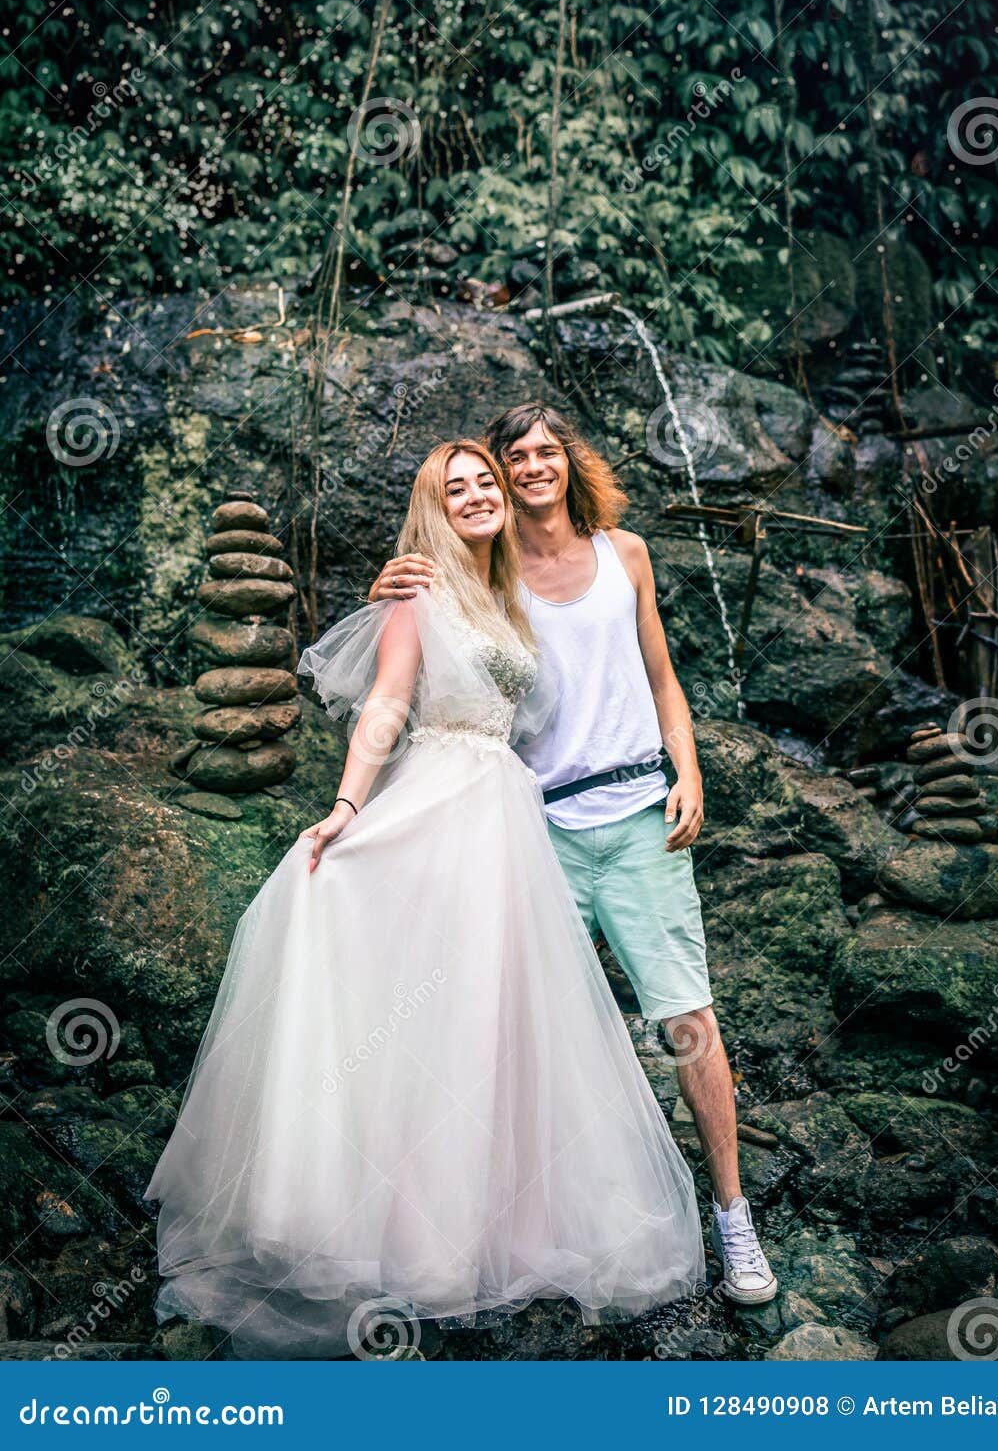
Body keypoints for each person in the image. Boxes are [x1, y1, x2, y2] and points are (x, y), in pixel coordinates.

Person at [147, 440, 705, 1359]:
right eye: (460, 488)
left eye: (487, 480)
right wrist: (343, 808)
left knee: (491, 1021)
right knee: (422, 1015)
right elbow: (384, 706)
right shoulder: (416, 592)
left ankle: (487, 1222)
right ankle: (390, 1232)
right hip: (442, 804)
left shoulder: (509, 591)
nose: (481, 494)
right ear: (434, 508)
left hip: (510, 818)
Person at [370, 405, 777, 1306]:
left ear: (568, 463)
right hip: (535, 826)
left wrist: (689, 767)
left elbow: (663, 675)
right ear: (501, 474)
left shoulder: (625, 553)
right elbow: (425, 612)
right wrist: (388, 581)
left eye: (545, 452)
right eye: (514, 458)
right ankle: (520, 1223)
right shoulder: (490, 564)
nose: (530, 468)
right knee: (519, 1026)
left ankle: (732, 1216)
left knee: (685, 1018)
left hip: (639, 816)